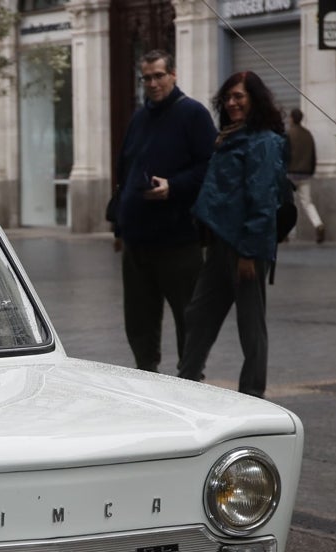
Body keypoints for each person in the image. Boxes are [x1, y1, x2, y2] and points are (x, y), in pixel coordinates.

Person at [178, 71, 289, 399]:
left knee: (251, 327)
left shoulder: (264, 141)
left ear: (255, 99)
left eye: (238, 96)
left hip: (246, 248)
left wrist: (249, 252)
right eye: (227, 97)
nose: (231, 103)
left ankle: (253, 394)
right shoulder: (229, 137)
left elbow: (263, 199)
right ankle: (185, 382)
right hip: (220, 243)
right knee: (198, 314)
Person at [110, 50, 217, 374]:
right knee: (139, 320)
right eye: (147, 77)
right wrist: (120, 223)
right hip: (137, 240)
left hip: (177, 239)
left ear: (173, 75)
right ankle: (147, 373)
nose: (152, 83)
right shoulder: (140, 118)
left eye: (158, 75)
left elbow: (211, 168)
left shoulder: (193, 114)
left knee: (189, 316)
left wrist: (174, 185)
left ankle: (191, 375)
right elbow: (125, 171)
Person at [287, 109, 324, 243]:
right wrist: (311, 171)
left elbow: (284, 154)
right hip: (305, 175)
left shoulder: (288, 134)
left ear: (291, 118)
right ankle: (318, 224)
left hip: (290, 175)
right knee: (307, 203)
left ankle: (286, 234)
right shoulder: (308, 134)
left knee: (287, 204)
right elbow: (313, 155)